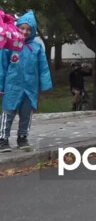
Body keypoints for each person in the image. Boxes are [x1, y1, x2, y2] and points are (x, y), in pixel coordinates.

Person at [0, 11, 53, 152]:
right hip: (12, 86)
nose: (25, 31)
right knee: (8, 112)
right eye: (22, 28)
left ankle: (22, 137)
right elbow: (2, 66)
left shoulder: (37, 47)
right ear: (17, 27)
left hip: (30, 87)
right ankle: (3, 139)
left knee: (26, 113)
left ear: (33, 31)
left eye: (29, 29)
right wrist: (1, 85)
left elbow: (43, 67)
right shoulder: (9, 44)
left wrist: (45, 85)